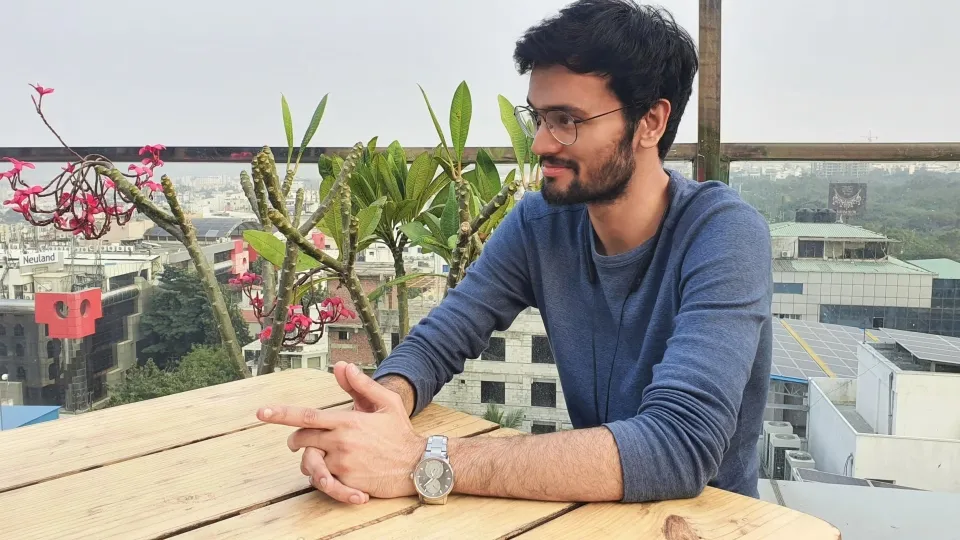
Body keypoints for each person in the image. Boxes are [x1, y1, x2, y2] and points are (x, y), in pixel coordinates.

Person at [257, 0, 773, 507]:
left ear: (650, 122)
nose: (542, 143)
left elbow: (678, 445)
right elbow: (441, 340)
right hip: (592, 512)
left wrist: (420, 458)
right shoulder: (540, 223)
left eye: (567, 120)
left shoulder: (723, 234)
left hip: (715, 520)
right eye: (538, 117)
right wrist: (379, 412)